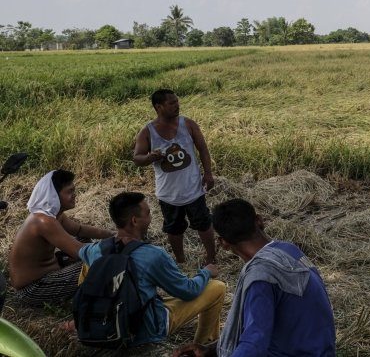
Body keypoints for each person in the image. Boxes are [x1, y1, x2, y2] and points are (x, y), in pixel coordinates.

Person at [172, 198, 336, 357]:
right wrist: (212, 349)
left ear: (223, 243)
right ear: (259, 220)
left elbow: (254, 345)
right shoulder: (289, 250)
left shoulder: (261, 276)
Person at [78, 192, 226, 346]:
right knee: (217, 288)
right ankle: (203, 345)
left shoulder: (96, 249)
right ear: (135, 221)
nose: (151, 217)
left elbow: (78, 251)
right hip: (147, 330)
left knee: (86, 265)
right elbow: (188, 291)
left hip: (106, 325)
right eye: (148, 213)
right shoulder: (153, 255)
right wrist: (206, 272)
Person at [133, 89, 217, 265]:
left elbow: (203, 148)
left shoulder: (188, 124)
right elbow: (137, 158)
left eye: (177, 101)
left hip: (193, 188)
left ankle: (211, 257)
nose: (177, 105)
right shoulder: (147, 132)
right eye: (171, 103)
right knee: (174, 228)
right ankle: (180, 261)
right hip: (168, 194)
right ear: (158, 106)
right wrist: (149, 157)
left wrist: (208, 173)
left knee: (203, 223)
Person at [8, 170, 112, 306]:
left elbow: (80, 229)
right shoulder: (43, 221)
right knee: (97, 263)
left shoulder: (54, 215)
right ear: (53, 196)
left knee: (85, 239)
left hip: (49, 273)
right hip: (32, 289)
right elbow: (80, 251)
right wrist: (118, 245)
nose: (74, 195)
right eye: (69, 192)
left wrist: (112, 235)